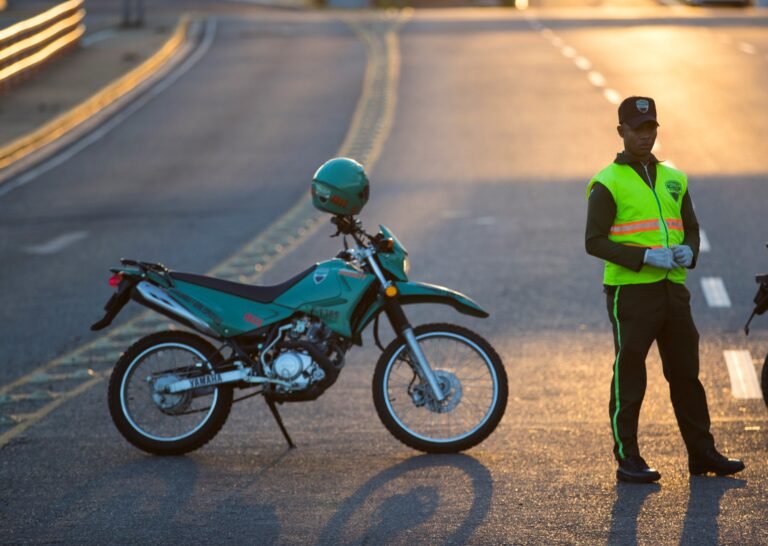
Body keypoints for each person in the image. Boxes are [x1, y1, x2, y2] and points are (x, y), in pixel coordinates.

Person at [585, 96, 745, 483]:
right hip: (631, 294)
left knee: (687, 374)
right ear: (621, 131)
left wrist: (687, 250)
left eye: (651, 128)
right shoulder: (607, 182)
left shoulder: (675, 178)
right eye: (638, 129)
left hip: (673, 293)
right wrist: (643, 257)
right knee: (630, 374)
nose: (646, 136)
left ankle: (702, 454)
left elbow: (691, 226)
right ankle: (628, 458)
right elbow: (594, 241)